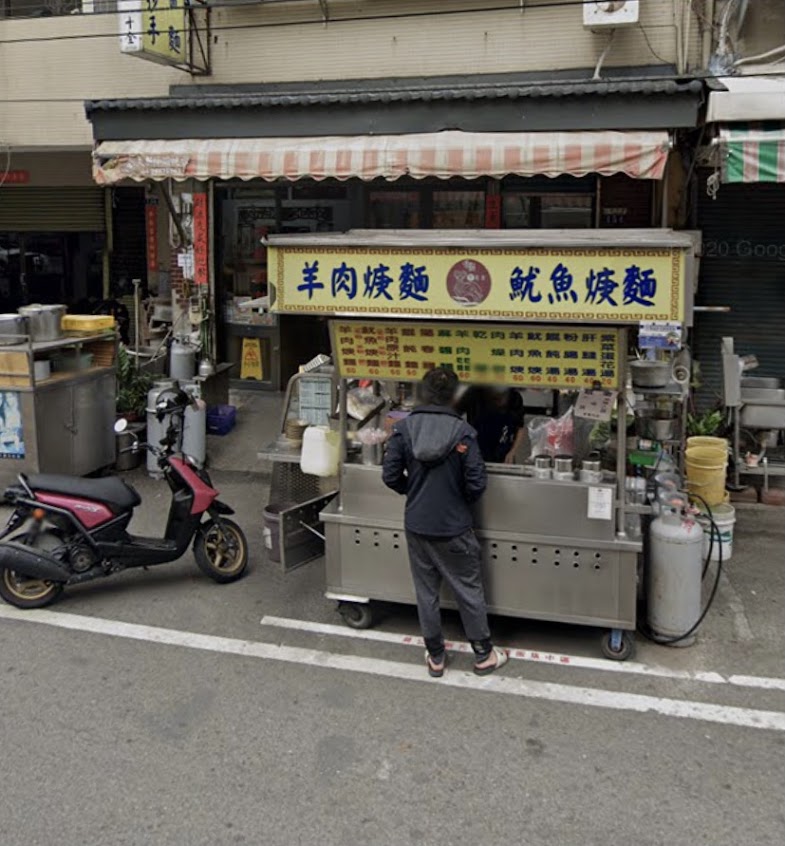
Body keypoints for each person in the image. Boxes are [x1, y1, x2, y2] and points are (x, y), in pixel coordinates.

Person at [382, 368, 509, 678]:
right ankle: (483, 655)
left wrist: (410, 490)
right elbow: (477, 483)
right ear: (455, 396)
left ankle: (436, 657)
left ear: (423, 394)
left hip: (417, 524)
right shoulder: (463, 433)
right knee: (468, 589)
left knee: (426, 592)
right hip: (454, 527)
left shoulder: (404, 429)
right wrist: (457, 500)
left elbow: (389, 475)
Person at [456, 385, 525, 464]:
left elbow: (520, 427)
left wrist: (512, 452)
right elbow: (454, 417)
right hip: (476, 451)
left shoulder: (514, 397)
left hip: (503, 454)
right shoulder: (474, 394)